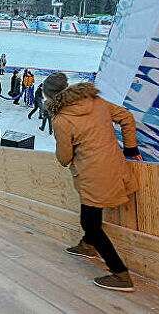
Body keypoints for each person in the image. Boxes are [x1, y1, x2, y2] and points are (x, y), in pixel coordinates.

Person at [44, 73, 142, 292]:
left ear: (49, 96)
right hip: (115, 168)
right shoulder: (95, 101)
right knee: (92, 214)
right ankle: (88, 246)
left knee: (90, 223)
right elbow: (126, 116)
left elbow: (64, 158)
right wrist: (131, 149)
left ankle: (120, 274)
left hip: (92, 174)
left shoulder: (61, 120)